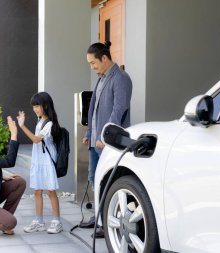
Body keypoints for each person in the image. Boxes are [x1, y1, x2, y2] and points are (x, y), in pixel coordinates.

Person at [82, 41, 133, 237]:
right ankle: (99, 217)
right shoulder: (101, 77)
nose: (92, 67)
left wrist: (106, 136)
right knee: (95, 179)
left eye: (93, 63)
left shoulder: (120, 78)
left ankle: (107, 222)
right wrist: (89, 134)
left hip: (108, 142)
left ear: (104, 58)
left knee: (108, 181)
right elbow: (93, 108)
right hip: (95, 140)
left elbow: (118, 109)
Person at [18, 92, 63, 234]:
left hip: (47, 161)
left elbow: (36, 139)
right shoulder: (40, 121)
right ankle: (39, 221)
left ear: (45, 105)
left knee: (50, 191)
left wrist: (22, 126)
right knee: (37, 191)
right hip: (38, 161)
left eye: (37, 105)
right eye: (33, 106)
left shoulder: (49, 123)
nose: (35, 109)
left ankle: (56, 221)